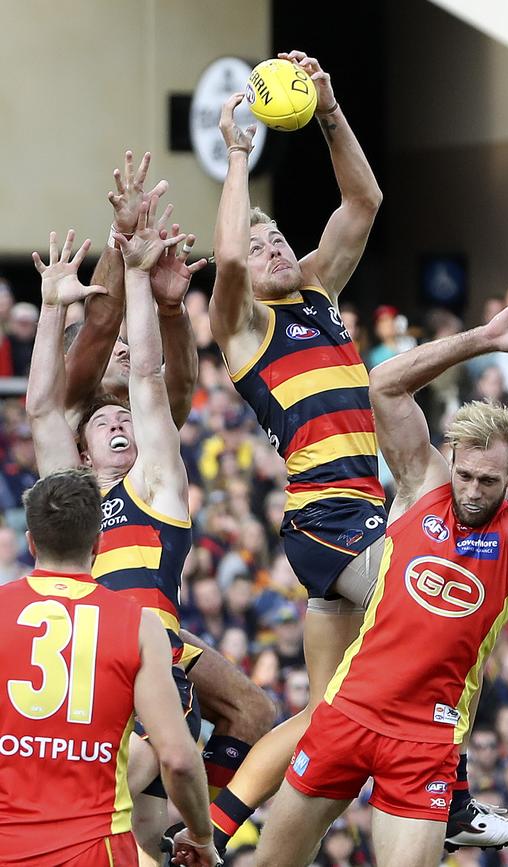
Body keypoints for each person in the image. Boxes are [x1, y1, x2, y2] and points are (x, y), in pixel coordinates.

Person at [204, 53, 508, 855]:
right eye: (262, 250)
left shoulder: (318, 292)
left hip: (366, 517)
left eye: (279, 237)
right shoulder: (246, 329)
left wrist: (328, 109)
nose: (273, 251)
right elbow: (226, 260)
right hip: (329, 521)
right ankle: (454, 795)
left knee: (329, 709)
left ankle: (216, 832)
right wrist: (234, 158)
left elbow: (364, 200)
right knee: (441, 595)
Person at [253, 285, 508, 866]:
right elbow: (384, 383)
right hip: (348, 711)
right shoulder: (423, 488)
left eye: (488, 481)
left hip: (425, 741)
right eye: (465, 474)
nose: (471, 490)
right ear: (451, 458)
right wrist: (484, 339)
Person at [62, 151, 275, 800]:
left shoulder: (144, 425)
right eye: (117, 342)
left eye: (136, 335)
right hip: (88, 618)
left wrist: (174, 310)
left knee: (254, 713)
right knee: (134, 761)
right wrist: (122, 244)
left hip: (153, 619)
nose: (125, 344)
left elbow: (174, 384)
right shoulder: (77, 407)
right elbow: (99, 324)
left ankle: (188, 828)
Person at [25, 215, 215, 860]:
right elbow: (44, 408)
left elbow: (149, 381)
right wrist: (51, 309)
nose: (117, 423)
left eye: (124, 421)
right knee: (124, 833)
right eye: (103, 420)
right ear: (80, 452)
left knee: (124, 825)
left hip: (147, 677)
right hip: (86, 683)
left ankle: (211, 830)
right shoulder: (70, 500)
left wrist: (138, 277)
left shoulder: (156, 487)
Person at [0, 468, 217, 867]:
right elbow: (178, 759)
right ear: (97, 544)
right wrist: (201, 835)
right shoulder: (138, 624)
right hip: (96, 850)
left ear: (31, 543)